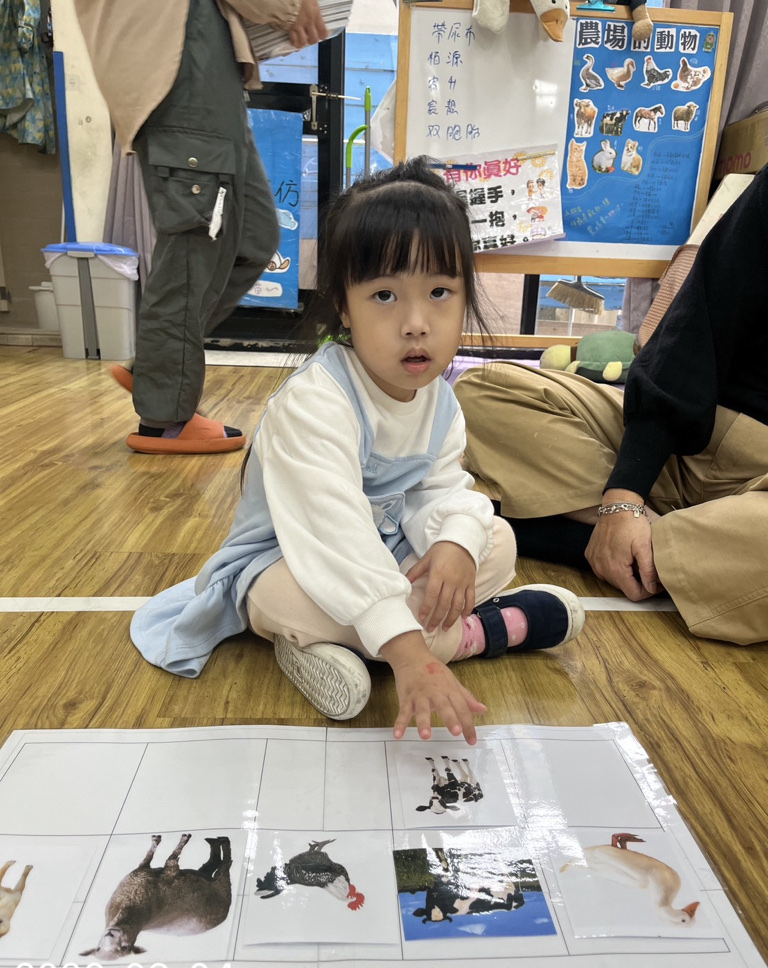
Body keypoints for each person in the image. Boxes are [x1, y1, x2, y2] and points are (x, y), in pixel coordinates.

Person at [131, 157, 586, 742]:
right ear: (344, 307)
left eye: (440, 292)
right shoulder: (316, 400)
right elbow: (334, 535)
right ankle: (479, 634)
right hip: (288, 560)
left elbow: (444, 491)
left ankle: (344, 646)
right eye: (385, 295)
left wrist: (455, 543)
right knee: (281, 596)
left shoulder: (441, 403)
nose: (416, 323)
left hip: (384, 554)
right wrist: (410, 653)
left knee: (494, 540)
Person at [454, 165, 768, 646]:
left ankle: (582, 538)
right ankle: (662, 545)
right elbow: (692, 330)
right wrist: (625, 495)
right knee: (483, 390)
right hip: (690, 435)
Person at [73, 0, 328, 454]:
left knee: (254, 239)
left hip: (207, 74)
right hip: (180, 69)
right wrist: (290, 8)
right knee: (192, 254)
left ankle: (156, 367)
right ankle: (163, 419)